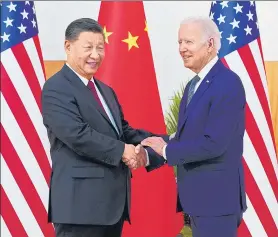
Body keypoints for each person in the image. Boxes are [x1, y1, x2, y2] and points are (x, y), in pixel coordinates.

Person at [41, 18, 166, 237]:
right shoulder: (56, 88)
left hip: (111, 206)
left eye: (100, 47)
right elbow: (77, 135)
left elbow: (123, 132)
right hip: (79, 209)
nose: (95, 55)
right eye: (88, 47)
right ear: (68, 47)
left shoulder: (105, 90)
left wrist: (163, 142)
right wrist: (122, 150)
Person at [142, 16, 247, 237]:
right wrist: (149, 152)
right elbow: (186, 136)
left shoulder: (227, 83)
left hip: (217, 203)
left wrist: (166, 150)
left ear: (209, 44)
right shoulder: (194, 85)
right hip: (199, 202)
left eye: (188, 42)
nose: (181, 49)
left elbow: (214, 144)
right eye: (179, 42)